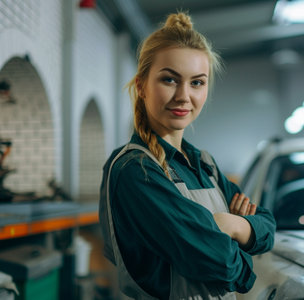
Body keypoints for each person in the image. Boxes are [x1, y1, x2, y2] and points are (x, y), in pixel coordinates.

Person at [99, 11, 276, 300]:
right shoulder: (136, 169)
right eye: (170, 80)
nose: (184, 95)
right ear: (142, 85)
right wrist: (242, 245)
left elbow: (267, 226)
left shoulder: (204, 164)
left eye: (197, 82)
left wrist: (230, 225)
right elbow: (220, 261)